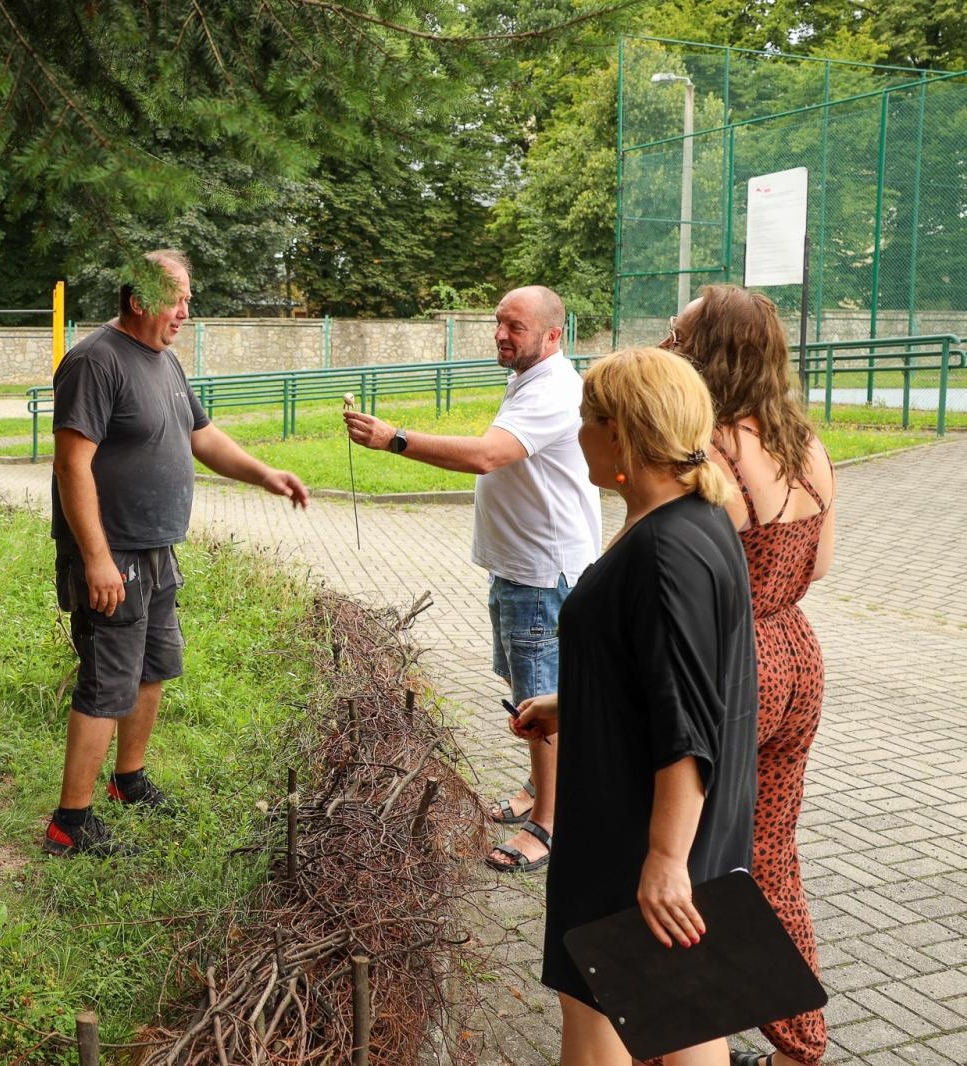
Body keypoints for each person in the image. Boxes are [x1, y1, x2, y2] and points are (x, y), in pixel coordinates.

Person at [512, 346, 758, 1066]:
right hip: (673, 819)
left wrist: (662, 858)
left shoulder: (662, 550)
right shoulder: (697, 518)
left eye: (585, 419)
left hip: (639, 830)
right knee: (679, 1002)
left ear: (620, 434)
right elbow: (664, 675)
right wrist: (574, 702)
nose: (576, 432)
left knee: (598, 999)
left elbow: (684, 727)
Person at [45, 249, 309, 857]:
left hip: (159, 550)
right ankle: (70, 822)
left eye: (189, 298)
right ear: (139, 301)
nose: (187, 311)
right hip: (115, 554)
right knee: (108, 680)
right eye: (178, 299)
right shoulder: (94, 361)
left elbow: (202, 436)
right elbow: (71, 464)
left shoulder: (163, 361)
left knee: (154, 666)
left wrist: (265, 474)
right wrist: (97, 558)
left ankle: (128, 781)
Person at [343, 285, 601, 873]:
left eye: (515, 326)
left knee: (541, 705)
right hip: (520, 569)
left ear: (553, 335)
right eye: (498, 323)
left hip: (542, 575)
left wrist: (394, 440)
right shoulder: (530, 378)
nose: (501, 334)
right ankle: (541, 791)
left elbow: (487, 455)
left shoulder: (554, 388)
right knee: (526, 693)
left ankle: (551, 825)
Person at [667, 286, 836, 1066]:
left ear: (710, 350)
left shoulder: (716, 453)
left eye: (683, 327)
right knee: (770, 854)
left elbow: (686, 577)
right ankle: (801, 1040)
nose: (670, 332)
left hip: (735, 668)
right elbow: (821, 564)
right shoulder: (804, 442)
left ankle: (680, 1036)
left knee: (690, 865)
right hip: (798, 655)